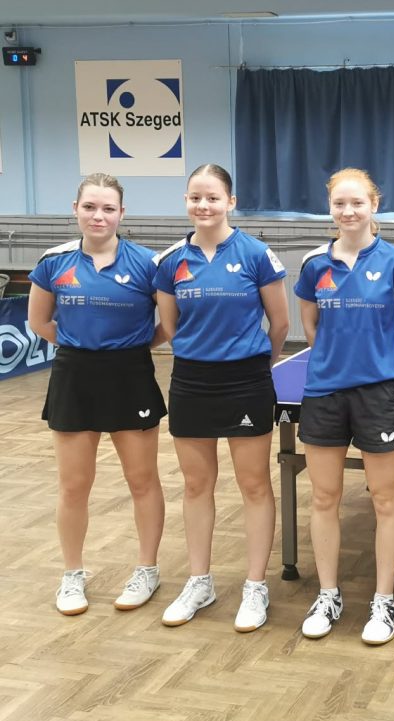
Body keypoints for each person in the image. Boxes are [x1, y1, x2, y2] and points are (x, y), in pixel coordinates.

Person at [153, 164, 289, 632]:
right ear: (186, 202)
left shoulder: (256, 254)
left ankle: (255, 585)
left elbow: (280, 323)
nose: (203, 205)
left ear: (231, 202)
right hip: (191, 381)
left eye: (212, 197)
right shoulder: (171, 261)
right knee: (196, 485)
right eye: (195, 197)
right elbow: (170, 326)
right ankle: (199, 582)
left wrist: (256, 365)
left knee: (254, 484)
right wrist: (202, 354)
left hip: (247, 380)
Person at [27, 173, 167, 616]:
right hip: (75, 375)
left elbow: (168, 324)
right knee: (74, 485)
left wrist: (129, 348)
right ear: (76, 209)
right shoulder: (54, 261)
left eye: (108, 208)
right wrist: (82, 346)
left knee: (142, 480)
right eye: (90, 207)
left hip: (131, 374)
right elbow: (39, 322)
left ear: (122, 213)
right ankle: (72, 574)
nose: (98, 216)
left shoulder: (148, 263)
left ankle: (147, 569)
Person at [293, 168, 394, 643]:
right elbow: (310, 326)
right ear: (330, 208)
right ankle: (328, 594)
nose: (348, 212)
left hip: (378, 393)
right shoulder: (314, 265)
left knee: (385, 499)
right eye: (339, 204)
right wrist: (335, 361)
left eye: (357, 203)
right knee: (324, 497)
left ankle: (383, 600)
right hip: (324, 391)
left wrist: (384, 366)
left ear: (374, 206)